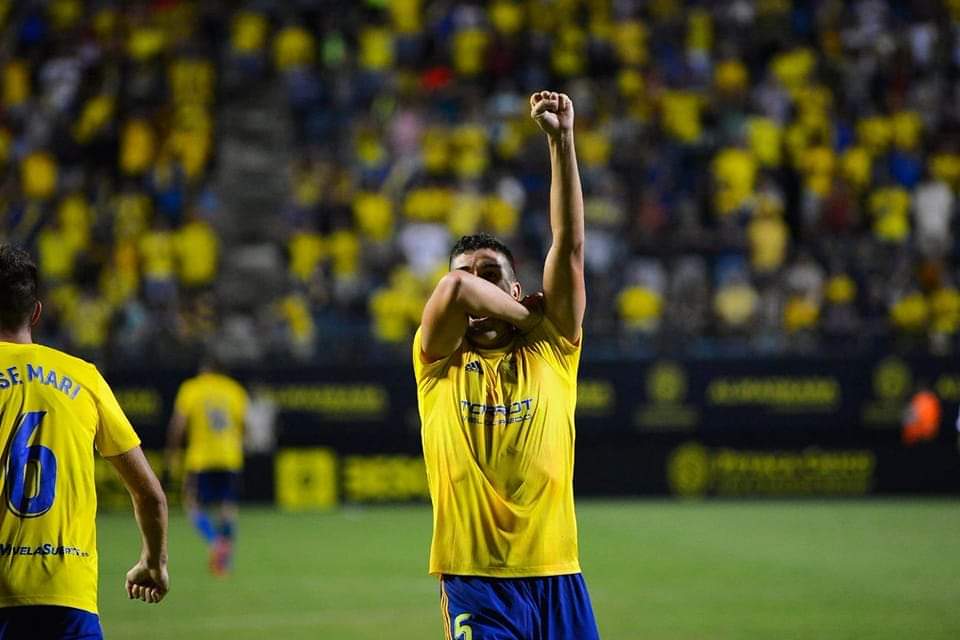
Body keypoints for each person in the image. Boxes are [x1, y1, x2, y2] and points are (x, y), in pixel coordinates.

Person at [413, 91, 600, 639]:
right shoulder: (437, 358)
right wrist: (520, 311)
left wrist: (561, 141)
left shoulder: (553, 344)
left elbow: (568, 248)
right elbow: (452, 290)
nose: (474, 283)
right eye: (469, 272)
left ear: (514, 285)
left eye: (489, 273)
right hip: (474, 578)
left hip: (557, 571)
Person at [0, 245, 169, 640]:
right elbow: (151, 496)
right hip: (68, 597)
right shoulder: (84, 378)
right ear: (37, 312)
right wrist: (153, 562)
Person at [165, 354, 248, 575]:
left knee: (192, 504)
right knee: (227, 509)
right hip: (230, 457)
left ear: (204, 370)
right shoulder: (234, 389)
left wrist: (172, 452)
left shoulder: (192, 388)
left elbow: (178, 424)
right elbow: (245, 425)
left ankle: (215, 541)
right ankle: (225, 560)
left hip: (201, 458)